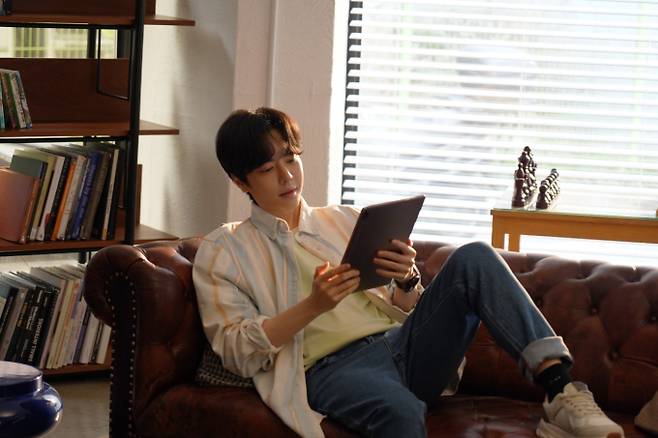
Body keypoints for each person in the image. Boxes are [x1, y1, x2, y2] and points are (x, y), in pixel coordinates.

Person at [192, 107, 624, 438]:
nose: (287, 176)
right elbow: (237, 350)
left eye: (290, 158)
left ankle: (560, 389)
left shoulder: (344, 220)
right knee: (401, 412)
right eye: (268, 169)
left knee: (474, 256)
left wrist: (406, 279)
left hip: (404, 344)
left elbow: (405, 306)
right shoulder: (224, 250)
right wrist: (313, 306)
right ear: (240, 181)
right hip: (331, 370)